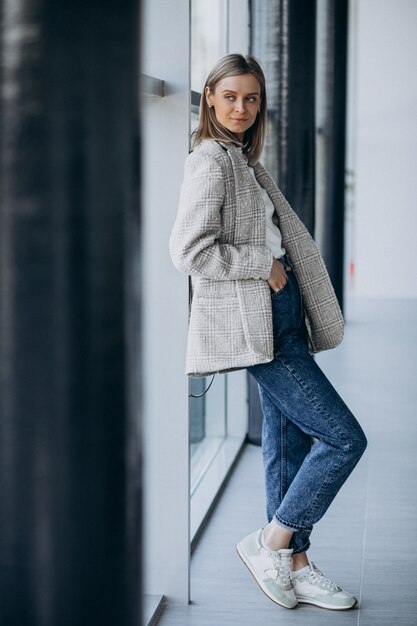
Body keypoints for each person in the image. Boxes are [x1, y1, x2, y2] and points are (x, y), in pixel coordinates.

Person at [169, 53, 367, 611]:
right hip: (258, 322)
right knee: (344, 438)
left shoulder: (243, 161)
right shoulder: (209, 160)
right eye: (230, 96)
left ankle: (296, 564)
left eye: (251, 98)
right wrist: (262, 263)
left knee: (287, 443)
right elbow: (189, 251)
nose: (241, 108)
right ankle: (271, 541)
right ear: (209, 96)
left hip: (280, 314)